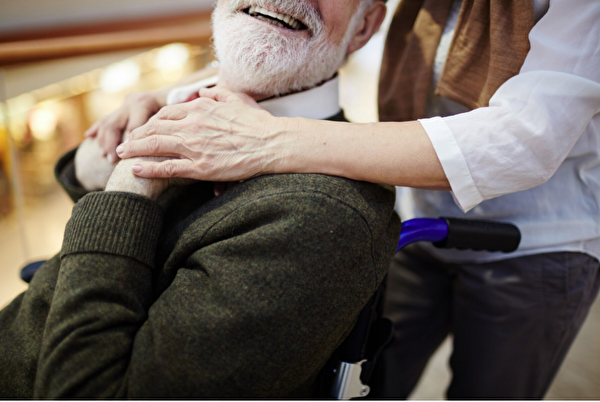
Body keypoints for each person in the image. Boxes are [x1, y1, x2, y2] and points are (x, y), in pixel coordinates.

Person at [98, 0, 600, 398]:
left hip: (536, 241)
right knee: (371, 376)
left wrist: (269, 141)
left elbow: (526, 139)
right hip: (418, 218)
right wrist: (180, 98)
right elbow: (284, 34)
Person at [0, 0, 400, 398]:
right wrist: (94, 165)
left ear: (364, 25)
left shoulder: (325, 215)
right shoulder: (182, 104)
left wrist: (133, 179)